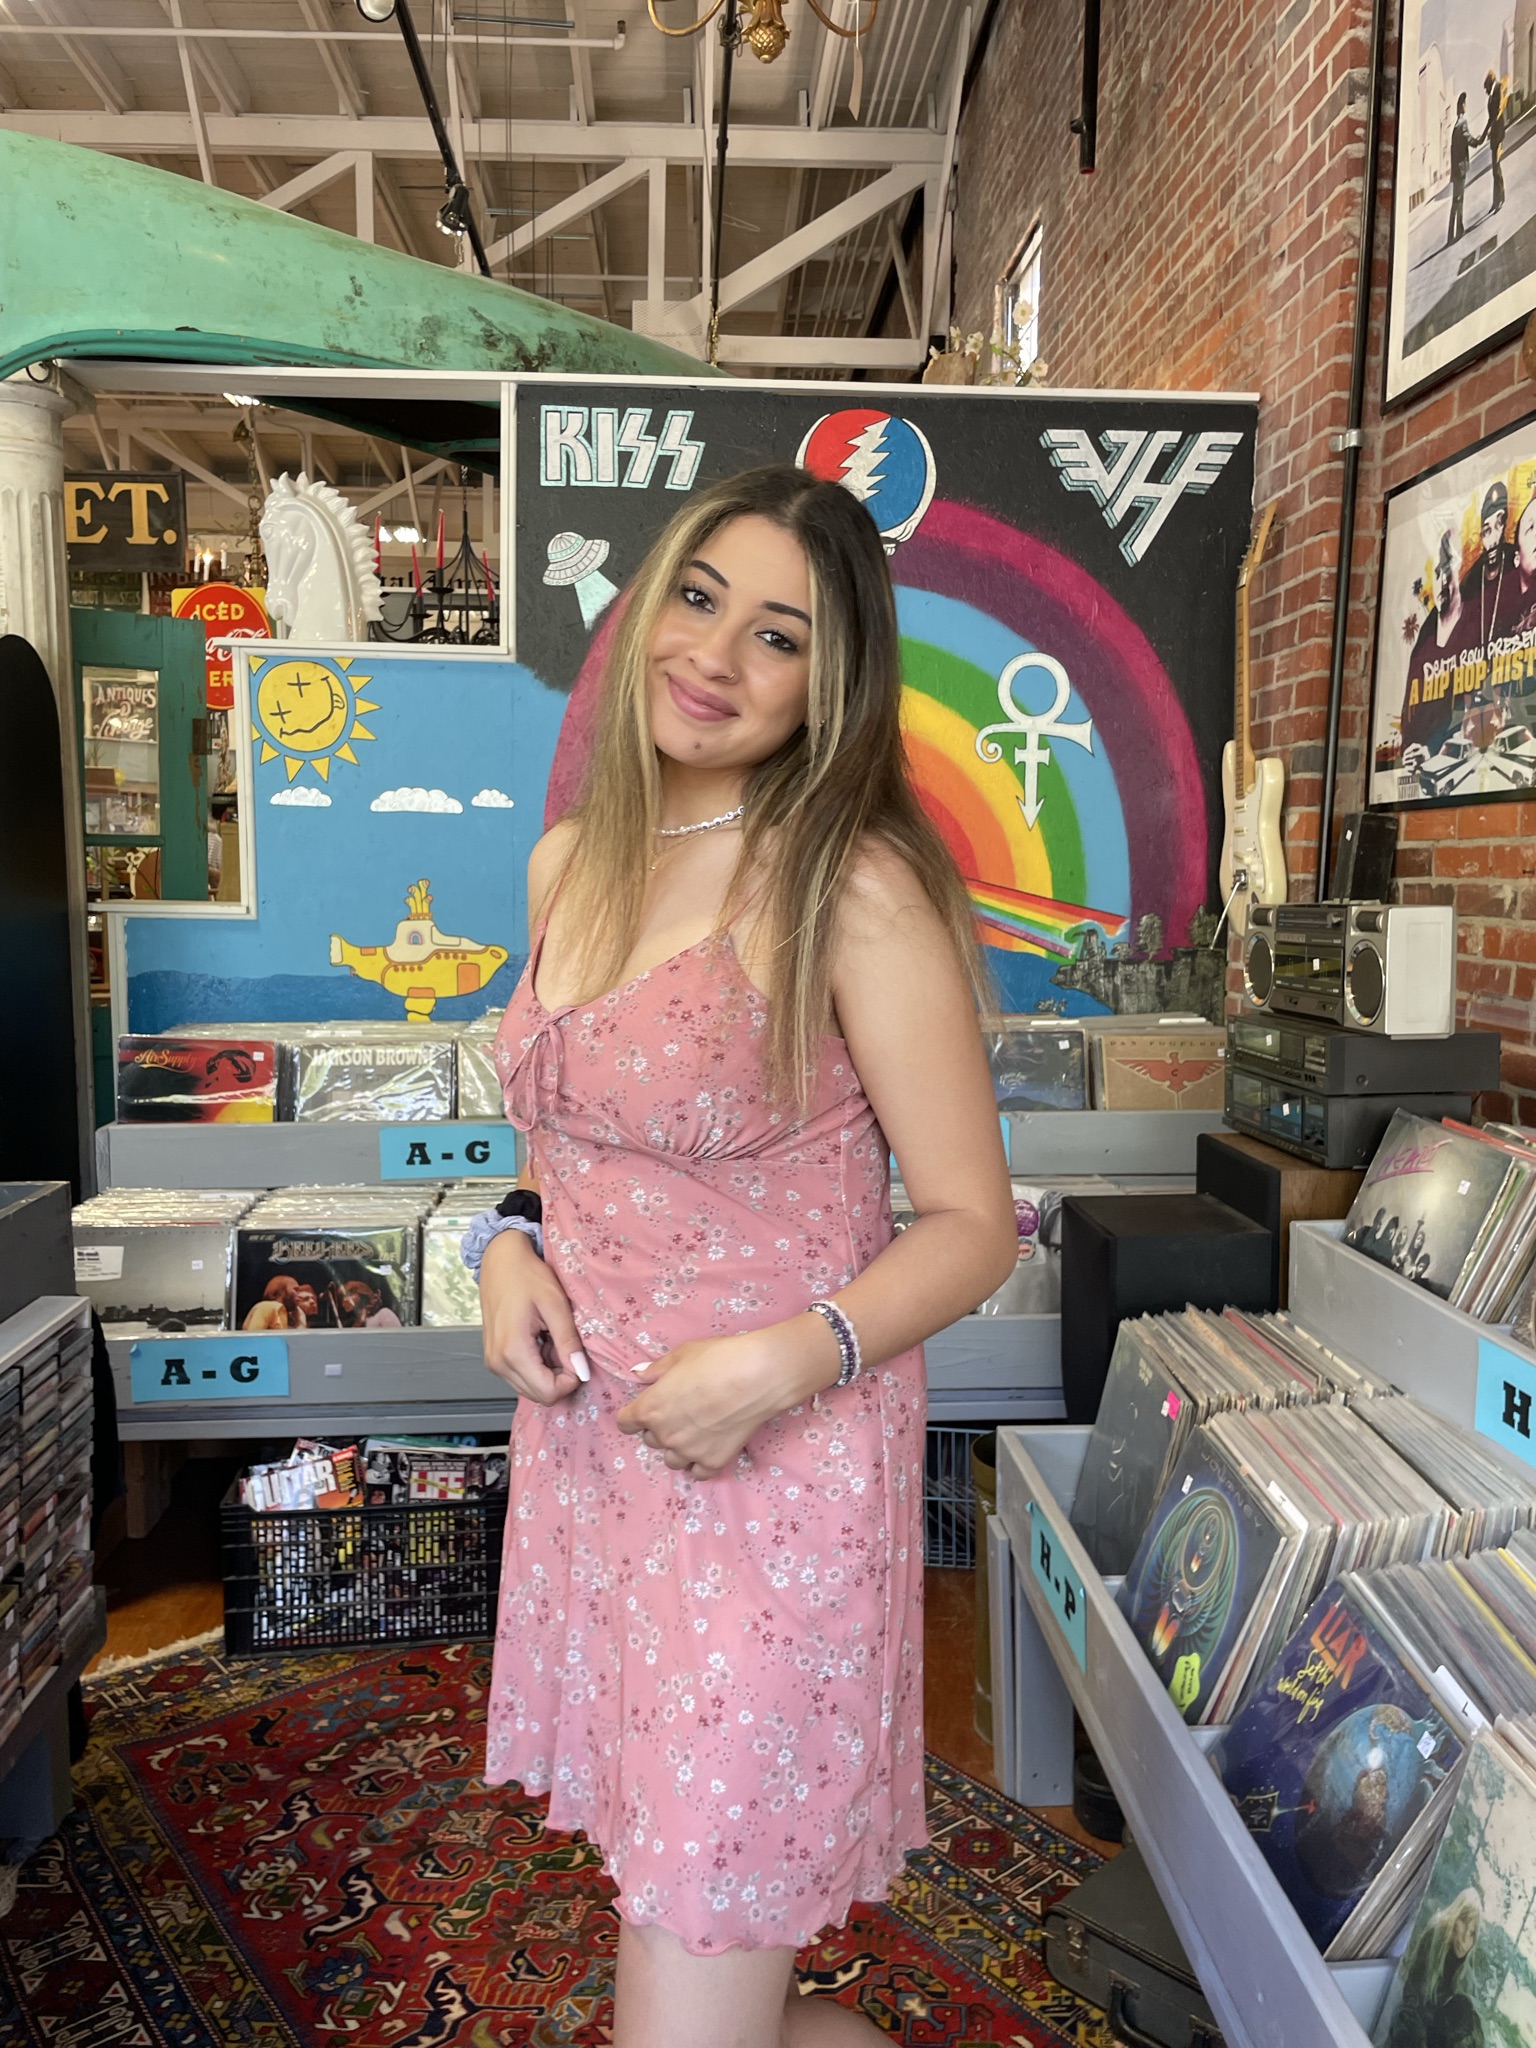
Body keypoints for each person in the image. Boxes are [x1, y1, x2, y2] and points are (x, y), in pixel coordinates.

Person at [471, 463, 1017, 2048]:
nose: (714, 655)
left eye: (778, 637)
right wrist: (512, 1245)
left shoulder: (852, 884)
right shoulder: (571, 861)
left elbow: (976, 1224)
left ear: (829, 685)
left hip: (776, 1478)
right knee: (674, 1896)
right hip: (600, 1459)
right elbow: (556, 1134)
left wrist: (788, 1360)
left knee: (699, 1946)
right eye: (699, 599)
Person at [1449, 93, 1476, 243]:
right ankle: (1458, 230)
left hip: (1455, 169)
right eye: (1465, 103)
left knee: (1456, 201)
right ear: (1462, 106)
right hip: (1461, 168)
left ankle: (1453, 232)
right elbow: (1468, 139)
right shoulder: (1463, 123)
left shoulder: (1455, 126)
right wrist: (1478, 141)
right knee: (1459, 200)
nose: (1466, 106)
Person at [1481, 69, 1506, 214]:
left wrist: (1487, 131)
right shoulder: (1491, 95)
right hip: (1494, 136)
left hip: (1498, 135)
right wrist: (1487, 132)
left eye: (1486, 87)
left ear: (1490, 83)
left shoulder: (1498, 88)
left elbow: (1497, 113)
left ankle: (1498, 200)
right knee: (1495, 170)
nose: (1486, 90)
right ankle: (1498, 199)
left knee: (1496, 168)